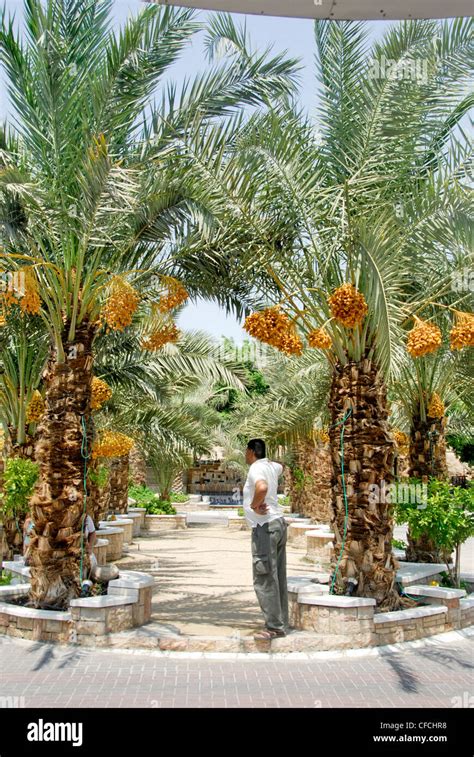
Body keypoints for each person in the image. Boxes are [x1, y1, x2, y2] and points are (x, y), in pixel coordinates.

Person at [242, 438, 289, 640]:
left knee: (264, 577)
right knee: (277, 575)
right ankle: (281, 621)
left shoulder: (255, 468)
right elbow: (282, 467)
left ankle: (274, 627)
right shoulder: (272, 466)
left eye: (246, 451)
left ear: (251, 451)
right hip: (278, 524)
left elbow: (261, 487)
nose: (245, 454)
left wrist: (255, 505)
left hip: (265, 527)